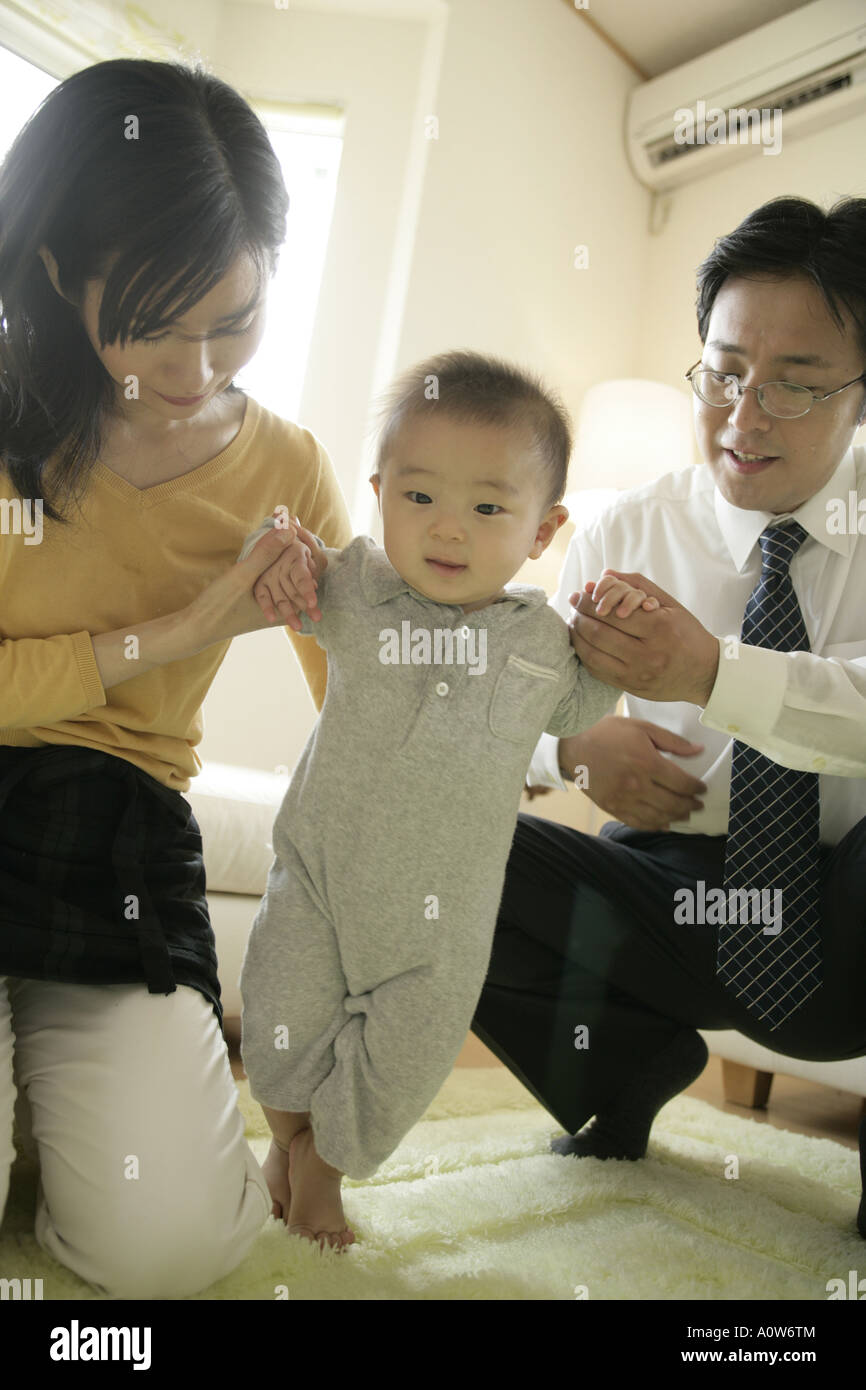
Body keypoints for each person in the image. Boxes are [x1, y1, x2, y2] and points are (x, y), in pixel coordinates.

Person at [0, 57, 355, 1298]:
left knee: (171, 1251)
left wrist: (558, 746)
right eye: (153, 325)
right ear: (57, 270)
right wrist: (178, 626)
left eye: (233, 320)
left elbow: (371, 719)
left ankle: (50, 1115)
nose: (198, 367)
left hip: (111, 837)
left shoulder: (290, 471)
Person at [470, 196, 866, 1241]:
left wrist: (709, 670)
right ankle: (617, 1066)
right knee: (417, 829)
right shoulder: (626, 525)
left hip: (847, 908)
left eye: (792, 385)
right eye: (725, 373)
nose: (742, 417)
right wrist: (569, 745)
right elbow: (490, 712)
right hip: (669, 895)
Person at [235, 348, 659, 1250]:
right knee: (276, 1040)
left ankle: (323, 1170)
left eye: (489, 508)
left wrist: (618, 624)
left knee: (402, 1066)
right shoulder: (348, 585)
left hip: (444, 922)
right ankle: (288, 1139)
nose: (448, 530)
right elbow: (272, 572)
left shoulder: (548, 641)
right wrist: (272, 548)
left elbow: (594, 703)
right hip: (317, 879)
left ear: (543, 533)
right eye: (419, 497)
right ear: (381, 491)